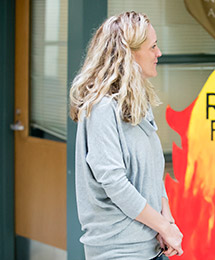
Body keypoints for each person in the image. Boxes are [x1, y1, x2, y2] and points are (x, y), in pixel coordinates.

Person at [69, 11, 183, 260]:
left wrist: (166, 220)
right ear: (129, 53)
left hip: (150, 247)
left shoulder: (136, 102)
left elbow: (153, 172)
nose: (158, 53)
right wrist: (163, 227)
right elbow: (114, 183)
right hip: (118, 252)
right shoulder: (101, 108)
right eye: (152, 47)